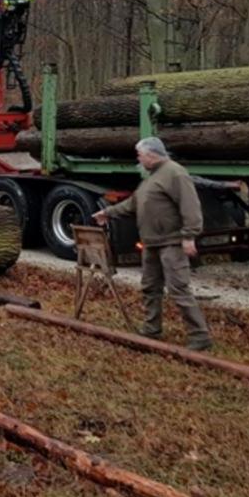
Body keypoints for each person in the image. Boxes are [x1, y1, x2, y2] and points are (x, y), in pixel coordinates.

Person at [93, 137, 213, 351]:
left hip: (172, 242)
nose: (138, 159)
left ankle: (199, 336)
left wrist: (189, 236)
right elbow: (134, 203)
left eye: (139, 155)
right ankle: (152, 329)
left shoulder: (175, 173)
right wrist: (108, 213)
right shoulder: (151, 177)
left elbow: (191, 206)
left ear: (151, 155)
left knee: (178, 289)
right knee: (150, 287)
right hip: (151, 243)